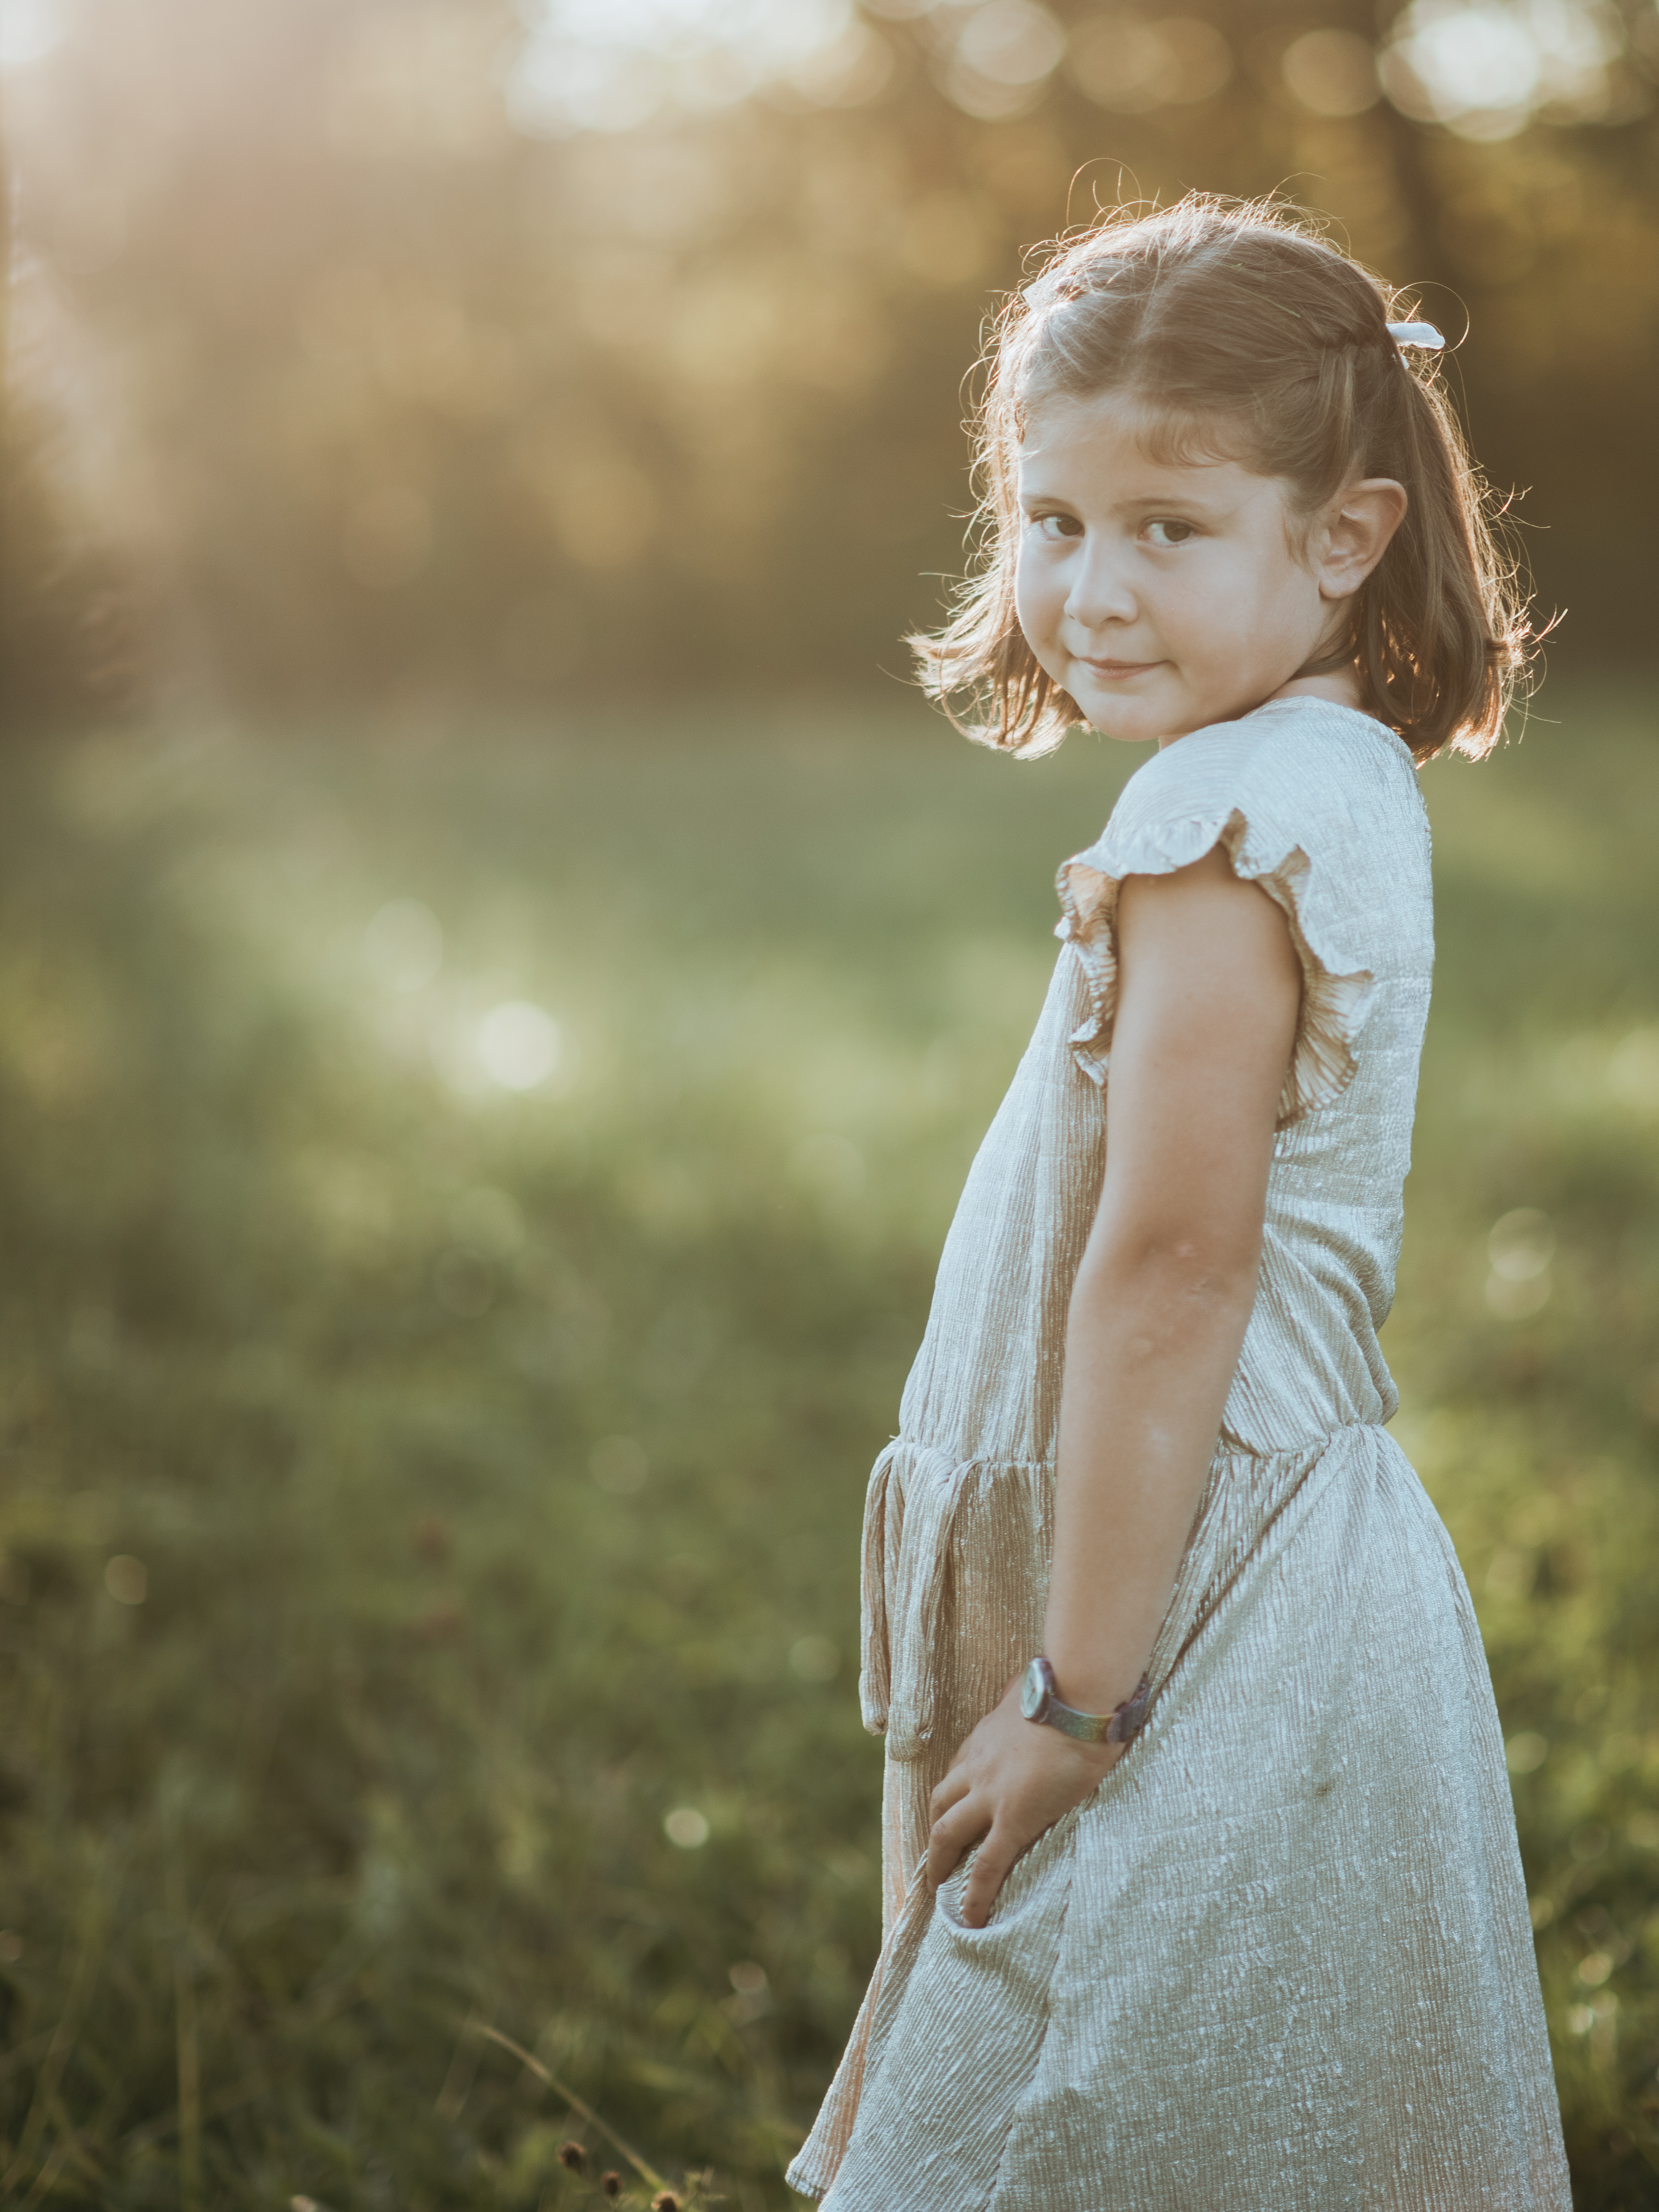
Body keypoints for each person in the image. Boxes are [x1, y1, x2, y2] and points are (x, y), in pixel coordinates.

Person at [786, 195, 1570, 2210]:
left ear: (1344, 536)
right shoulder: (1329, 773)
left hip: (1190, 1587)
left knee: (1082, 2104)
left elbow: (1174, 1256)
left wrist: (1078, 1693)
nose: (1090, 583)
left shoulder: (1225, 823)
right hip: (1247, 1536)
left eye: (1167, 523)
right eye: (1052, 517)